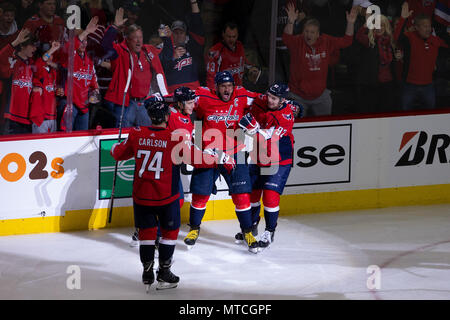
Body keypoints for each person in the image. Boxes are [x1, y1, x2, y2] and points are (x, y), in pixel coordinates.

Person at [111, 99, 234, 291]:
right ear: (167, 117)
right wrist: (220, 157)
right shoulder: (175, 138)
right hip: (166, 198)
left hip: (141, 197)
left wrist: (116, 146)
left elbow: (117, 154)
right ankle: (164, 272)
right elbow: (199, 160)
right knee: (169, 234)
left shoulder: (136, 134)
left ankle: (147, 272)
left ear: (150, 116)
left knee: (146, 235)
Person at [184, 70, 260, 254]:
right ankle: (194, 229)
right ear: (215, 87)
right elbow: (180, 100)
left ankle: (248, 232)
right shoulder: (202, 96)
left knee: (242, 197)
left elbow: (265, 101)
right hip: (208, 153)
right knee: (200, 195)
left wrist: (257, 124)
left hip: (236, 153)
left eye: (229, 86)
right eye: (223, 86)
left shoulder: (242, 95)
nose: (227, 90)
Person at [237, 83, 297, 249]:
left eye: (274, 98)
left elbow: (270, 139)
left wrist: (254, 129)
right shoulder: (260, 100)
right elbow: (242, 94)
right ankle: (252, 226)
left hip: (279, 159)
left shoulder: (286, 116)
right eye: (269, 95)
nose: (269, 100)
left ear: (282, 100)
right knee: (252, 195)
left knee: (270, 197)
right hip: (258, 157)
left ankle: (270, 231)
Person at [282, 3, 358, 117]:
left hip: (320, 96)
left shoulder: (326, 41)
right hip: (297, 95)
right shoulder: (298, 42)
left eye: (312, 32)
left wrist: (351, 23)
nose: (308, 35)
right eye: (306, 31)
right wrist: (291, 21)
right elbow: (286, 39)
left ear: (318, 34)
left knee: (325, 127)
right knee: (294, 127)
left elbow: (346, 41)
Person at [101, 7, 169, 128]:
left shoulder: (148, 51)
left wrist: (167, 37)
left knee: (145, 135)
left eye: (140, 37)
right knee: (121, 136)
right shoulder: (120, 52)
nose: (138, 41)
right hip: (127, 104)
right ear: (127, 39)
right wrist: (114, 27)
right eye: (135, 38)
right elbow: (105, 44)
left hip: (145, 103)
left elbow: (167, 54)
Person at [394, 2, 449, 111]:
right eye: (424, 26)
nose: (428, 29)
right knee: (405, 116)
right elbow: (397, 38)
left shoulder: (435, 40)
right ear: (416, 27)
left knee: (429, 116)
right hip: (409, 86)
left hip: (428, 86)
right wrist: (402, 19)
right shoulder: (410, 38)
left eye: (429, 26)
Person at [59, 17, 100, 131]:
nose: (83, 42)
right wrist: (86, 31)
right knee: (66, 138)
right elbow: (69, 48)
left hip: (84, 106)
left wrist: (95, 91)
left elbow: (93, 83)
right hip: (69, 104)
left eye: (85, 40)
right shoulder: (69, 56)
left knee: (81, 136)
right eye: (81, 39)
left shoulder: (89, 61)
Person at [158, 0, 205, 93]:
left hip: (193, 91)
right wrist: (173, 58)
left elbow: (197, 25)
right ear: (171, 34)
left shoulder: (192, 47)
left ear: (185, 34)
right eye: (175, 32)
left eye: (181, 32)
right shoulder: (165, 50)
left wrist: (194, 2)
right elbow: (161, 71)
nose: (178, 35)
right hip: (173, 93)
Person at [355, 14, 397, 113]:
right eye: (376, 25)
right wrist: (365, 25)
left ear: (386, 27)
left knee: (386, 112)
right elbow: (359, 37)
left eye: (381, 25)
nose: (378, 28)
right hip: (372, 84)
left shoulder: (390, 41)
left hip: (388, 83)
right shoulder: (370, 40)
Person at [0, 28, 36, 135]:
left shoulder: (32, 64)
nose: (35, 48)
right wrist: (16, 42)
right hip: (10, 116)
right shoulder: (12, 61)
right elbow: (1, 58)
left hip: (27, 118)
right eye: (32, 45)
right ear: (22, 46)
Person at [205, 21, 260, 90]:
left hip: (238, 89)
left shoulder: (239, 46)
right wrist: (213, 95)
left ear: (237, 35)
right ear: (223, 34)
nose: (231, 39)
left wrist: (253, 68)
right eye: (229, 36)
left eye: (234, 36)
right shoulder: (215, 51)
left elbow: (243, 61)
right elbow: (211, 77)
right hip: (224, 92)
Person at [29, 40, 60, 133]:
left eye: (52, 54)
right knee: (39, 146)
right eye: (48, 54)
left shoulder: (54, 71)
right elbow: (42, 61)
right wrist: (52, 49)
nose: (50, 57)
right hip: (41, 117)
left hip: (53, 116)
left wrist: (59, 92)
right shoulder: (38, 68)